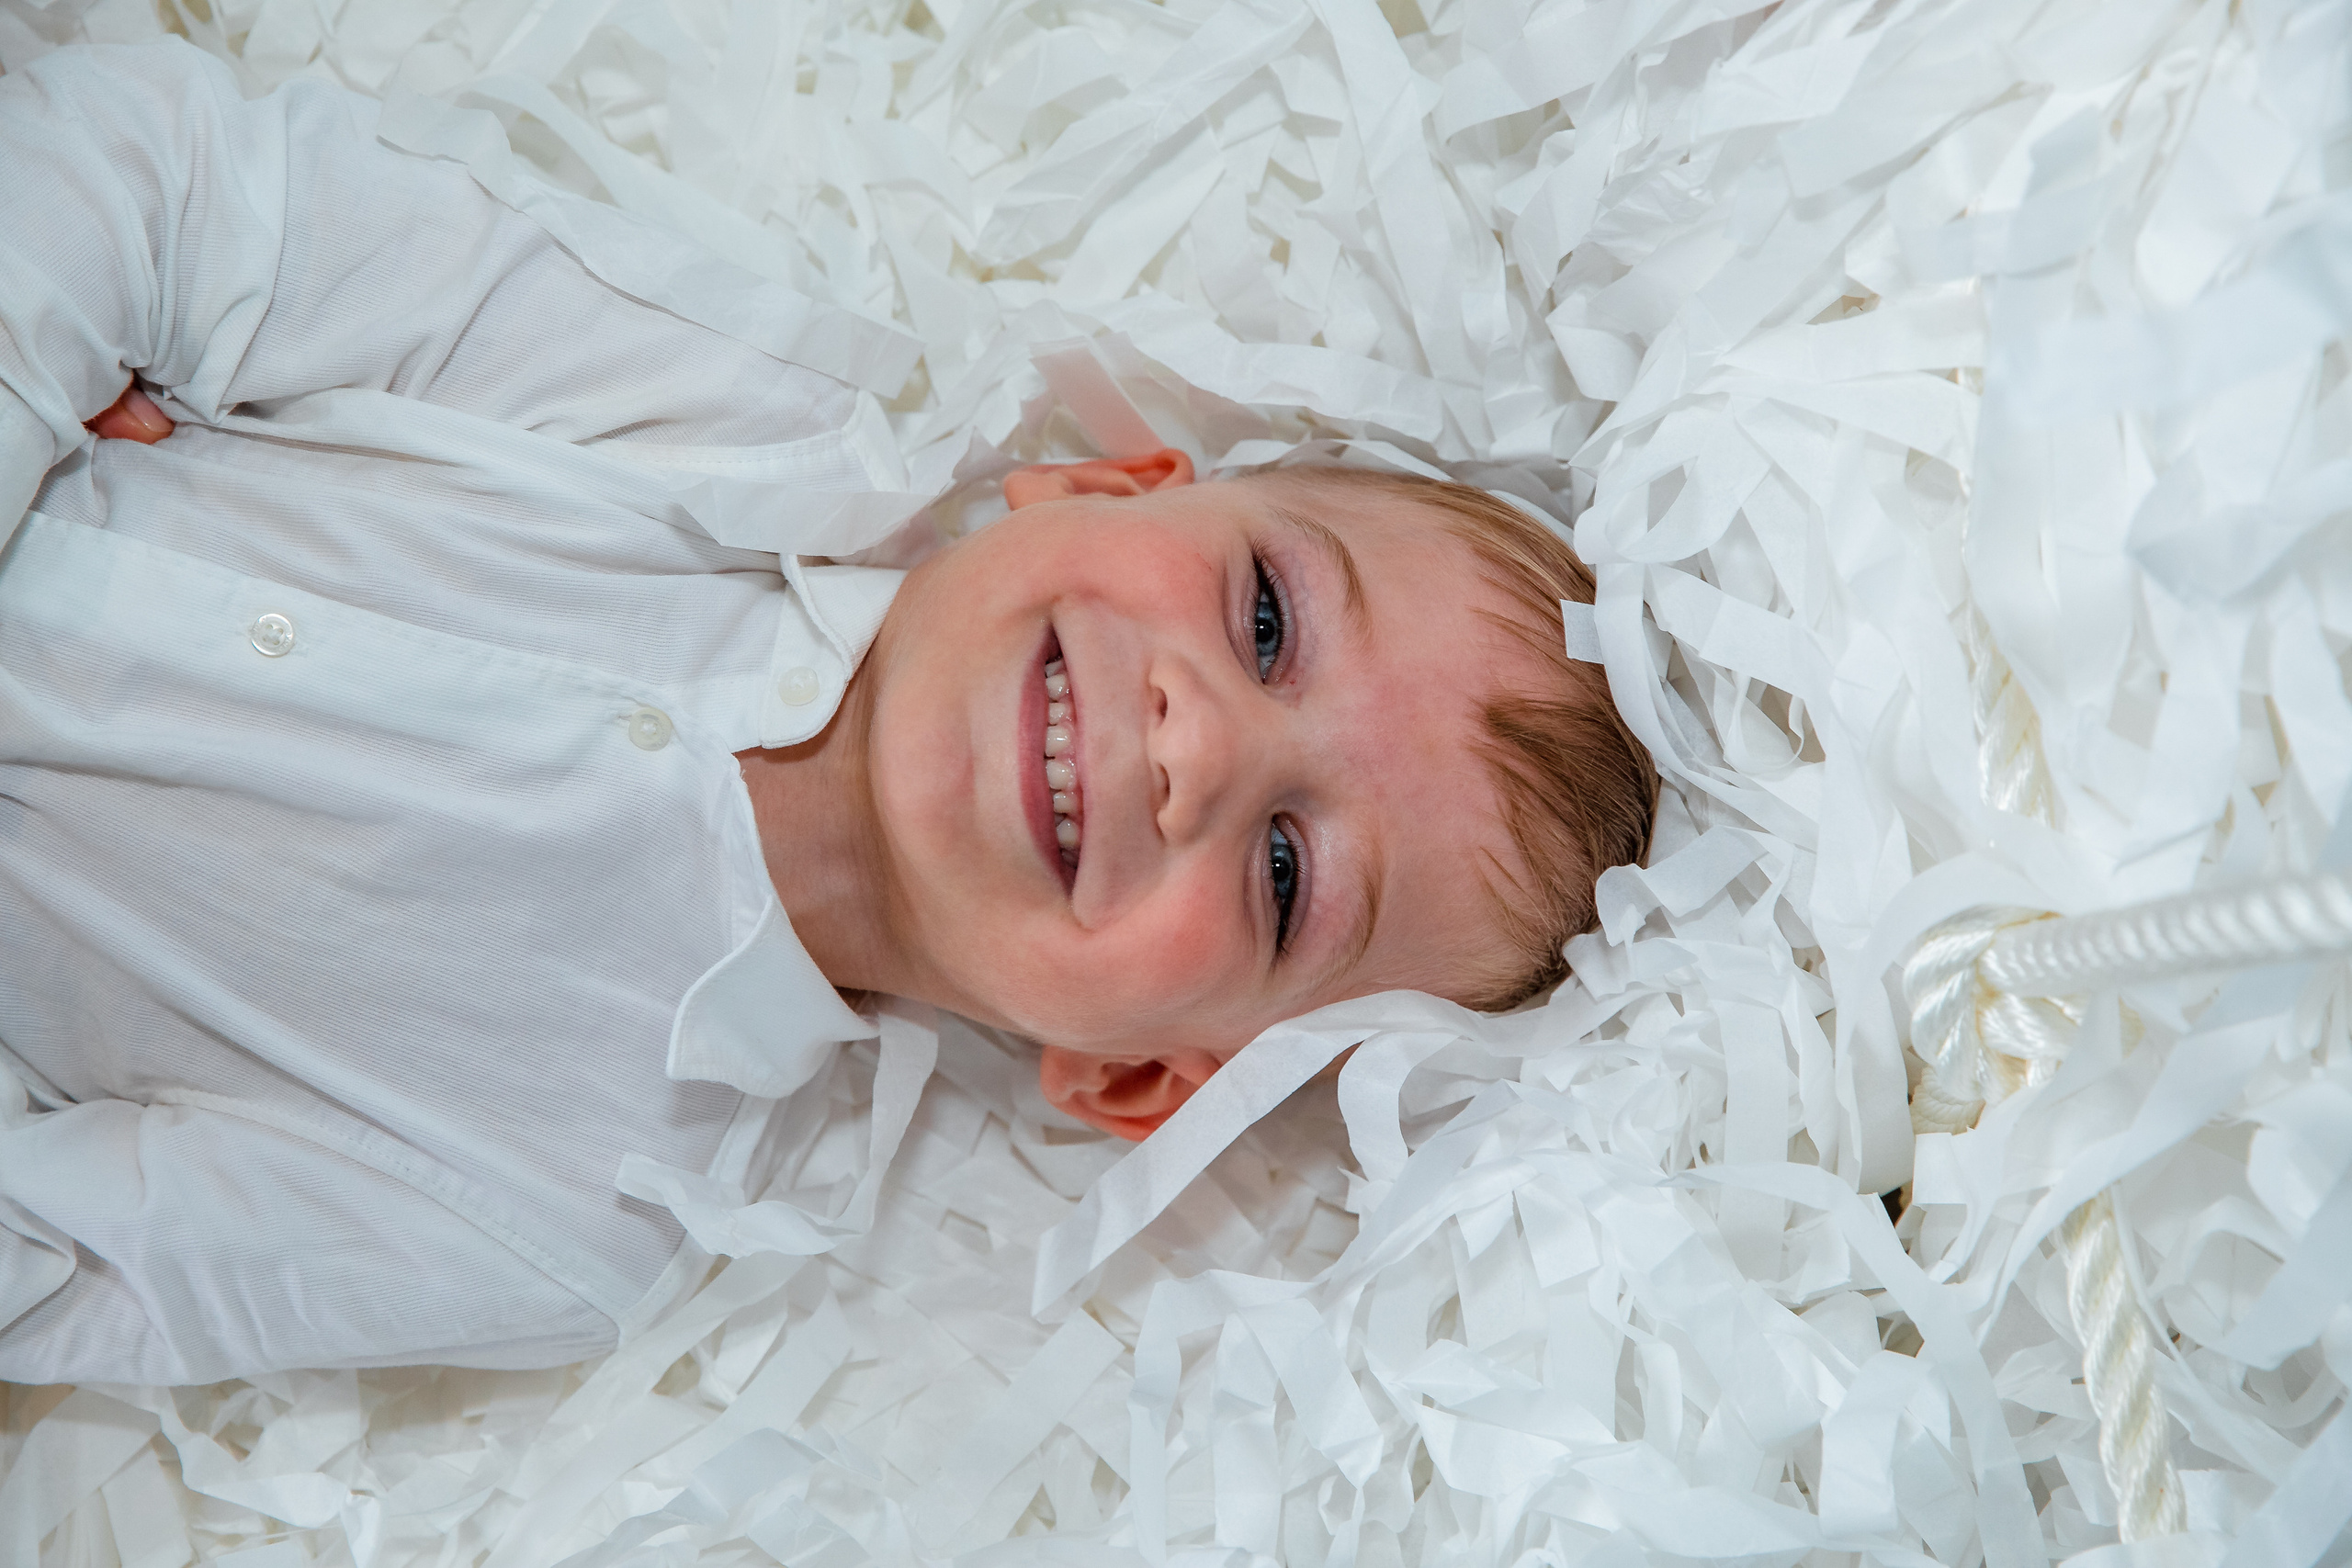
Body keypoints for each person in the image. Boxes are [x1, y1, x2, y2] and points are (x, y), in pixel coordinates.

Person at [0, 39, 1653, 1384]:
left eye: (1289, 874)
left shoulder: (575, 1213)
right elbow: (162, 172)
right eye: (1268, 617)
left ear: (1141, 1077)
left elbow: (56, 1268)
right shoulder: (736, 417)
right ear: (1089, 484)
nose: (1198, 741)